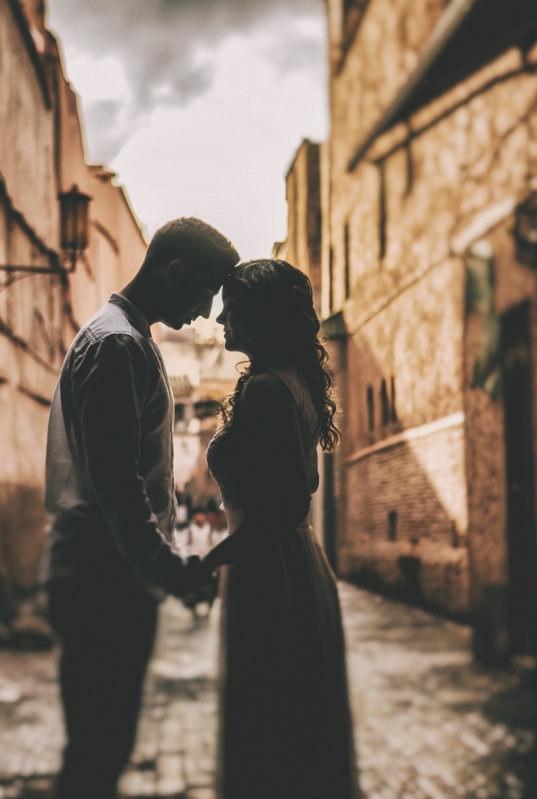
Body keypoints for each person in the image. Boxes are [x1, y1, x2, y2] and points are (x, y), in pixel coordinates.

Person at [44, 217, 239, 799]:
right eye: (206, 291)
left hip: (105, 571)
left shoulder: (125, 337)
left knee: (100, 750)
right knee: (98, 754)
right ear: (174, 272)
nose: (206, 312)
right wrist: (166, 569)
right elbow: (118, 485)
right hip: (104, 575)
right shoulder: (119, 346)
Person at [201, 259, 360, 799]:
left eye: (234, 307)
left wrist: (211, 560)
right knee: (295, 723)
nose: (221, 317)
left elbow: (284, 505)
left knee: (270, 723)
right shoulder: (291, 381)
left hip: (270, 572)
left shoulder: (268, 389)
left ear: (259, 316)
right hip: (295, 563)